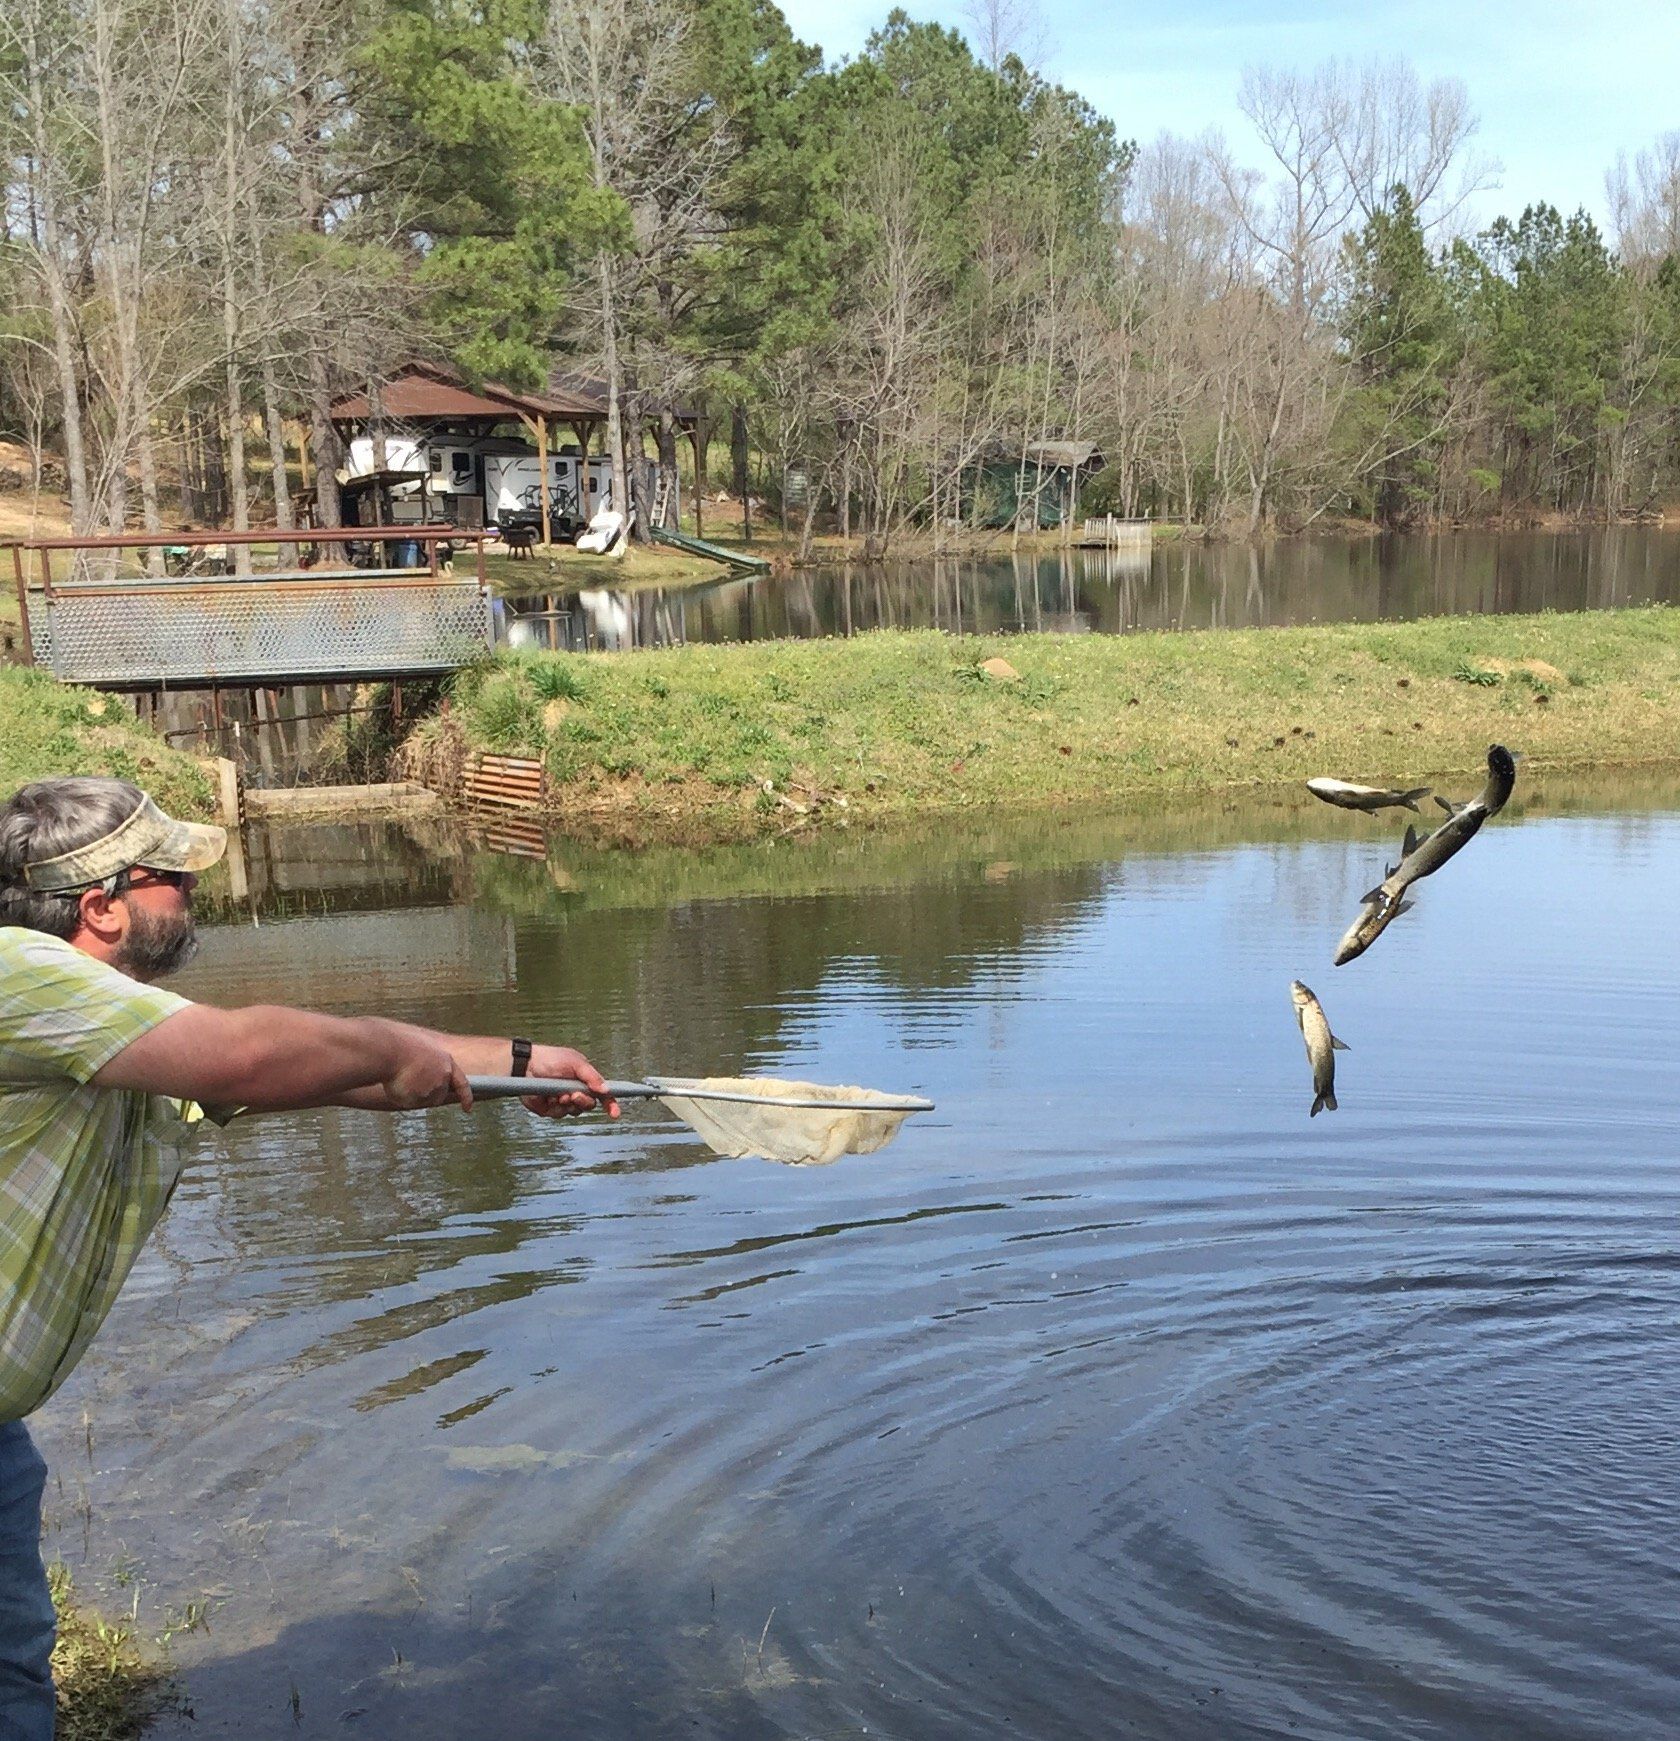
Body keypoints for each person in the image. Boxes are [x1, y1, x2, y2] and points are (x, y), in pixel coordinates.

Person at [0, 776, 617, 1737]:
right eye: (173, 877)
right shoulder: (16, 974)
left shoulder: (108, 1028)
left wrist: (515, 1062)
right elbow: (248, 1054)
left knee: (12, 1659)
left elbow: (313, 1075)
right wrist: (384, 1043)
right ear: (101, 904)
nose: (195, 891)